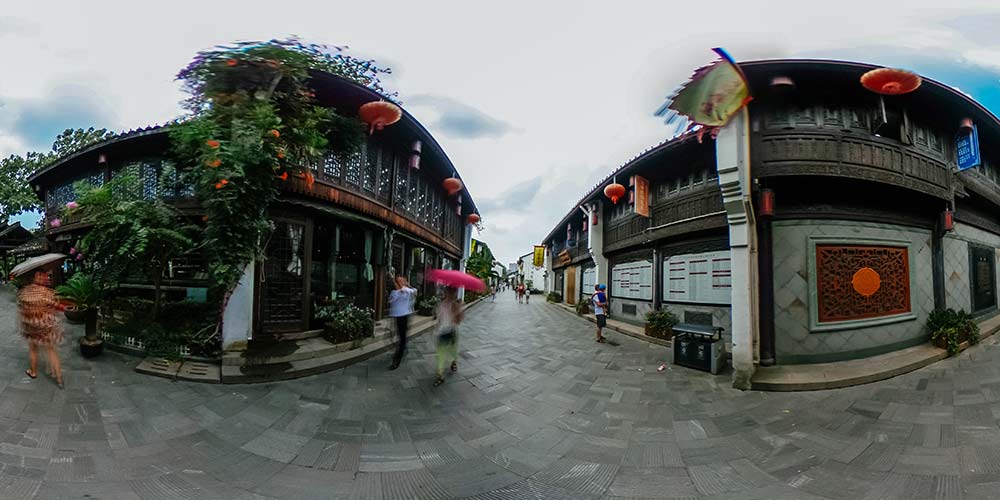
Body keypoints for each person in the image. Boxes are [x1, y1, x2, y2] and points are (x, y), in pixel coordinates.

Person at [18, 268, 65, 387]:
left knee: (33, 349)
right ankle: (59, 378)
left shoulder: (24, 292)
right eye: (44, 276)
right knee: (51, 350)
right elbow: (56, 306)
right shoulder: (47, 292)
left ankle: (33, 372)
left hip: (31, 327)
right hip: (45, 327)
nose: (46, 278)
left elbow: (21, 308)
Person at [434, 287, 464, 386]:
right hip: (442, 332)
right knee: (441, 354)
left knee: (452, 351)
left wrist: (457, 310)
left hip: (451, 332)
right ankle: (440, 375)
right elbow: (438, 318)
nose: (451, 295)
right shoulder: (441, 304)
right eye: (449, 292)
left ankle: (453, 362)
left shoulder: (454, 305)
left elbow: (458, 320)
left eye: (453, 293)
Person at [388, 276, 417, 370]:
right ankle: (401, 349)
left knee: (402, 338)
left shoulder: (407, 290)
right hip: (397, 317)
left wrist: (408, 287)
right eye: (398, 281)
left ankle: (397, 361)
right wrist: (398, 292)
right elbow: (391, 300)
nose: (400, 283)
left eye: (402, 281)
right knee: (400, 337)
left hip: (404, 316)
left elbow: (415, 291)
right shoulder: (394, 293)